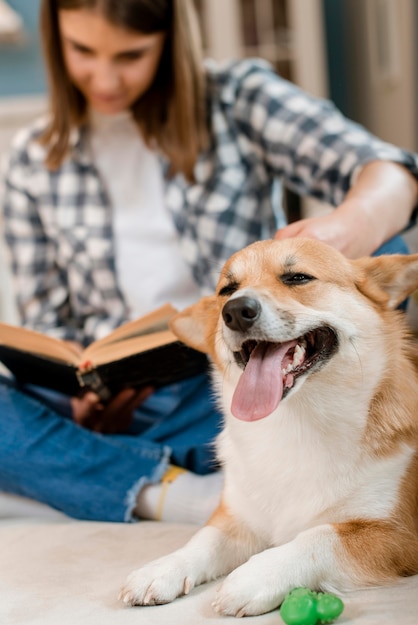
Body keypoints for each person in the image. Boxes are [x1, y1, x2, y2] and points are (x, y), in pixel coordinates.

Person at [0, 0, 417, 524]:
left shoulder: (240, 99)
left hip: (235, 374)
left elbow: (395, 174)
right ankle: (169, 489)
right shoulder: (30, 161)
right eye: (81, 50)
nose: (104, 78)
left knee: (374, 261)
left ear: (170, 41)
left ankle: (72, 473)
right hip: (115, 404)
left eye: (131, 55)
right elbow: (48, 322)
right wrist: (80, 389)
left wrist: (352, 224)